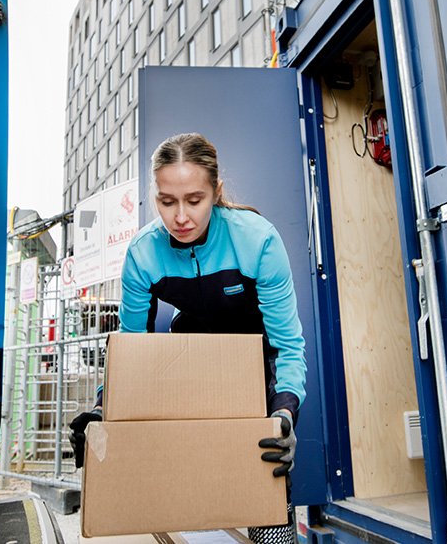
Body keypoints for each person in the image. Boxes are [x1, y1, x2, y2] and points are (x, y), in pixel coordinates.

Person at [69, 133, 306, 543]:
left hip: (252, 370)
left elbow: (288, 344)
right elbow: (132, 348)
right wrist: (102, 409)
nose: (180, 216)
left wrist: (284, 415)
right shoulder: (143, 254)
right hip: (189, 365)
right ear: (155, 196)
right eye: (167, 201)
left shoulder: (258, 240)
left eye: (194, 200)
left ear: (215, 191)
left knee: (266, 496)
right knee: (187, 487)